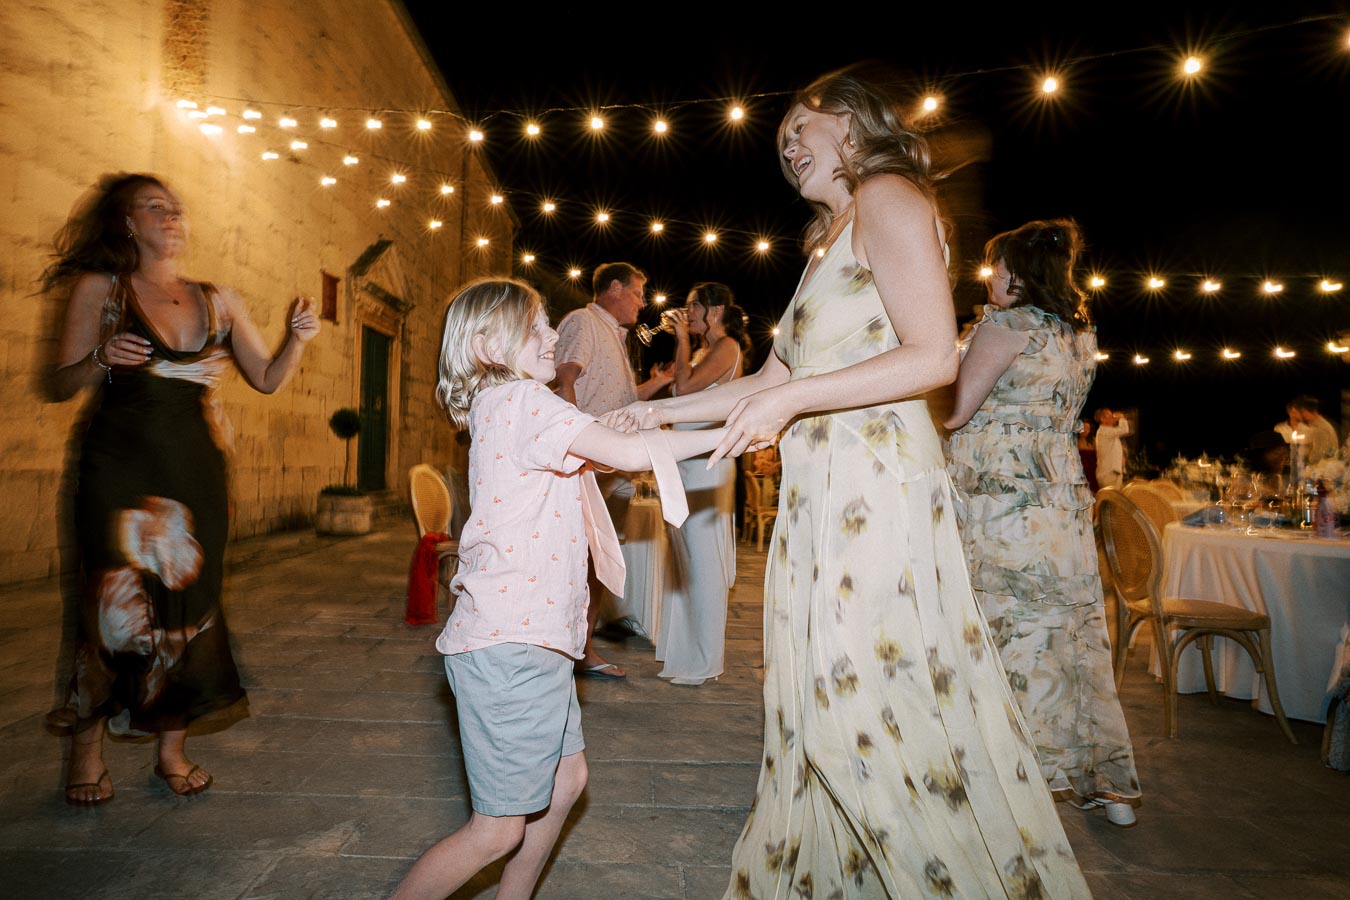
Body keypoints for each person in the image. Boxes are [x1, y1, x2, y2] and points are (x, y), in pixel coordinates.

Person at [618, 68, 1089, 898]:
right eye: (781, 140)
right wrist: (650, 420)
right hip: (818, 497)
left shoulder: (891, 196)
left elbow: (935, 355)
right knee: (816, 699)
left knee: (865, 700)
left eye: (803, 125)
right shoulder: (827, 240)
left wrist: (793, 399)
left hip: (876, 491)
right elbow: (766, 377)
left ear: (855, 121)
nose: (789, 145)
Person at [392, 278, 725, 900]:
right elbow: (620, 454)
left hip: (524, 639)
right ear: (490, 344)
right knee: (495, 831)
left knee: (567, 781)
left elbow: (589, 449)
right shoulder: (523, 400)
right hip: (513, 643)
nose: (552, 337)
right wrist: (728, 431)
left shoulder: (504, 404)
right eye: (537, 326)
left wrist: (625, 422)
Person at [45, 173, 319, 804]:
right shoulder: (102, 289)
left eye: (177, 208)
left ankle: (173, 747)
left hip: (195, 471)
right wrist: (99, 360)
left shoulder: (219, 299)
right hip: (116, 466)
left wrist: (297, 340)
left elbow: (268, 379)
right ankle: (85, 751)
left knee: (187, 600)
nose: (171, 217)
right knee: (108, 597)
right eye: (155, 208)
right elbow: (59, 384)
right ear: (128, 224)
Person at [945, 218, 1142, 828]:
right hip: (1057, 500)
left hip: (1003, 506)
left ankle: (1006, 780)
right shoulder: (1076, 332)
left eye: (994, 266)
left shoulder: (1004, 326)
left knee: (1008, 635)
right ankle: (1106, 785)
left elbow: (954, 413)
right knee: (1072, 640)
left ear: (1014, 270)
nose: (990, 277)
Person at [554, 262, 671, 678]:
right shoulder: (583, 321)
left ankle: (583, 648)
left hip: (613, 465)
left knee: (598, 558)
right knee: (578, 556)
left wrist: (660, 383)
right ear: (615, 287)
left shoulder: (615, 337)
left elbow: (619, 397)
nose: (642, 303)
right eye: (638, 293)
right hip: (588, 462)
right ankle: (567, 649)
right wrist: (570, 444)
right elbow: (564, 377)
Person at [655, 283, 747, 686]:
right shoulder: (705, 349)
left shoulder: (726, 346)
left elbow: (684, 389)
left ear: (715, 309)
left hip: (707, 466)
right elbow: (681, 387)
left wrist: (677, 339)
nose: (686, 312)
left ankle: (705, 657)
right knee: (687, 560)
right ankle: (683, 651)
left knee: (704, 561)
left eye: (693, 306)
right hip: (689, 462)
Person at [1094, 407, 1131, 489]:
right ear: (1102, 419)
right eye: (1110, 416)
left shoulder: (1109, 432)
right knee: (1111, 500)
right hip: (1108, 474)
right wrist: (1122, 417)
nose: (1114, 418)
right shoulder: (1104, 431)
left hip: (1113, 472)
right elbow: (1125, 429)